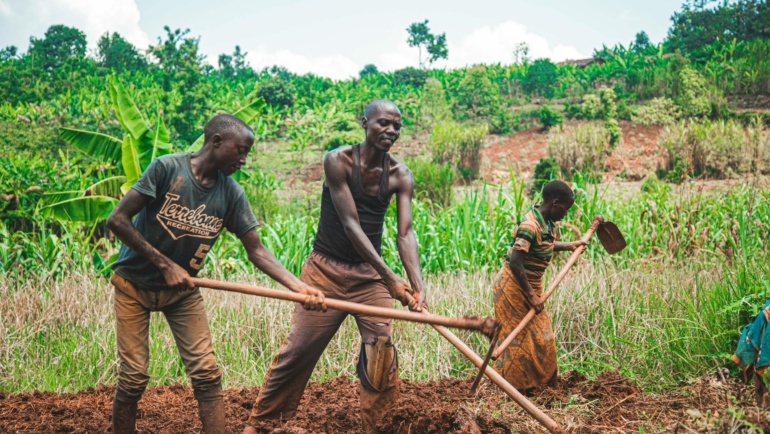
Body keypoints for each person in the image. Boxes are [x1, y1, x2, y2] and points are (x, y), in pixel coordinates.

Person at [106, 113, 325, 434]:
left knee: (207, 374)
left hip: (182, 292)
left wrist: (299, 287)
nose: (244, 160)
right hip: (132, 285)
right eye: (241, 151)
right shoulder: (166, 169)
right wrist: (165, 264)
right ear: (217, 142)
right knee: (134, 376)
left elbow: (258, 250)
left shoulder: (231, 193)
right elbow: (117, 220)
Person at [243, 100, 425, 434]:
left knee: (381, 347)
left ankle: (379, 426)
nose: (391, 131)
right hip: (324, 272)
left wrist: (417, 285)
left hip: (369, 279)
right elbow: (351, 225)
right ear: (364, 122)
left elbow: (405, 232)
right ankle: (263, 426)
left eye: (397, 126)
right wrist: (392, 279)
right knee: (298, 350)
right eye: (384, 123)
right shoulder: (337, 161)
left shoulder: (400, 175)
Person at [491, 180, 584, 393]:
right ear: (555, 203)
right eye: (565, 209)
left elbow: (544, 246)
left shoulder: (547, 223)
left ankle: (542, 388)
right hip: (514, 288)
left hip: (530, 285)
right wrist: (531, 295)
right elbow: (515, 262)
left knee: (543, 338)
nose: (566, 214)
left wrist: (570, 246)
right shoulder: (530, 225)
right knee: (516, 340)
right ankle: (511, 390)